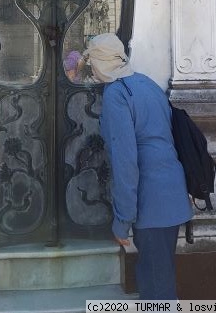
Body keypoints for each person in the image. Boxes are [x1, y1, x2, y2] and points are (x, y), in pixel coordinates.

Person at [83, 33, 193, 300]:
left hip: (151, 203)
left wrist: (122, 222)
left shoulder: (116, 95)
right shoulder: (147, 84)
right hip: (173, 196)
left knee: (156, 288)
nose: (91, 68)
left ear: (100, 64)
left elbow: (126, 164)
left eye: (92, 62)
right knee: (161, 278)